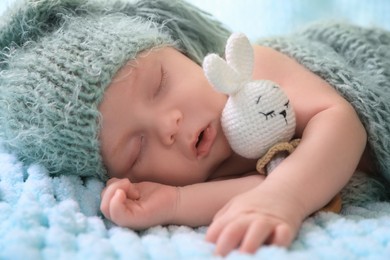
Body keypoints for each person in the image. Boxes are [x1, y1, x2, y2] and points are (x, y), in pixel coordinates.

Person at [0, 0, 389, 256]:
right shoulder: (201, 174)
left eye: (159, 85)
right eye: (136, 148)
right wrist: (173, 203)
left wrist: (283, 199)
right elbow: (277, 183)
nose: (167, 126)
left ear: (185, 53)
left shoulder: (257, 72)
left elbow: (339, 123)